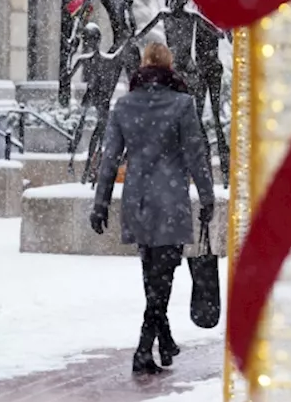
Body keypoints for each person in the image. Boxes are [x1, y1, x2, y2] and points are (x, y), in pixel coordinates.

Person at [90, 42, 215, 375]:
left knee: (152, 275)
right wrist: (207, 197)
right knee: (163, 278)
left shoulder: (125, 106)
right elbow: (196, 156)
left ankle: (166, 338)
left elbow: (109, 160)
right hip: (171, 201)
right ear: (169, 67)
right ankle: (145, 350)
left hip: (139, 201)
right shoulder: (183, 104)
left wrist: (100, 204)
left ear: (144, 66)